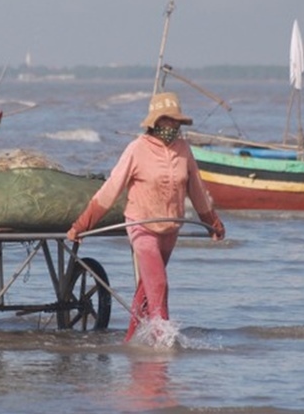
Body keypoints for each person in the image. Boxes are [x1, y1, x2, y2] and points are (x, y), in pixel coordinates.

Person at [66, 91, 226, 343]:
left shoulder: (183, 149)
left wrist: (213, 223)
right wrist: (82, 224)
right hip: (142, 225)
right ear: (155, 122)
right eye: (166, 121)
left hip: (171, 227)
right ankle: (164, 340)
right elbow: (111, 190)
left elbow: (196, 189)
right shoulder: (137, 149)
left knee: (146, 290)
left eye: (175, 122)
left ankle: (131, 342)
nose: (171, 126)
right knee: (159, 283)